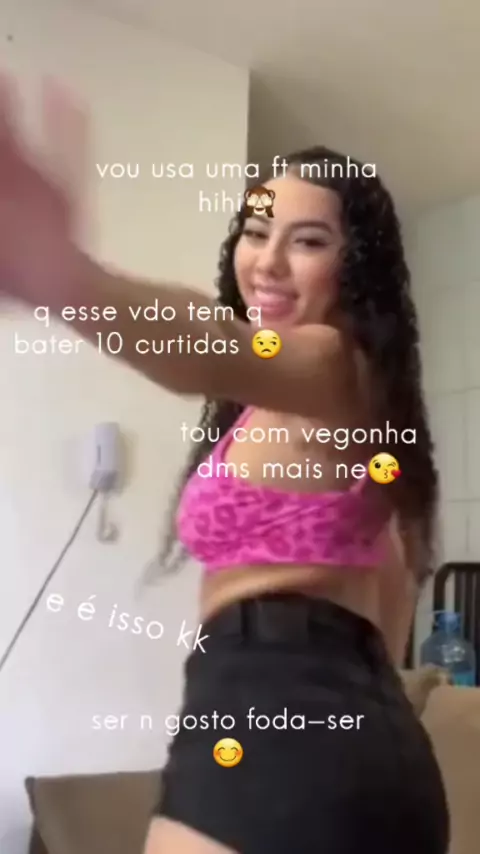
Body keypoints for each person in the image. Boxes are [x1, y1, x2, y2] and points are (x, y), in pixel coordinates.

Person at [0, 76, 449, 854]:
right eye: (256, 231)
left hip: (284, 729)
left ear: (356, 267)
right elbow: (391, 612)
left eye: (308, 241)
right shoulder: (345, 416)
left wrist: (67, 278)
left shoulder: (334, 363)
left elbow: (212, 346)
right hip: (343, 744)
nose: (267, 261)